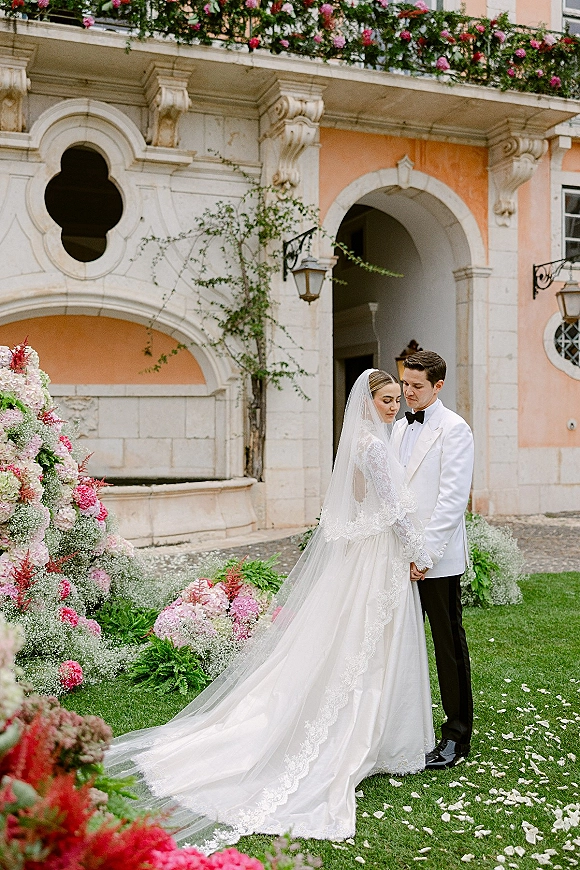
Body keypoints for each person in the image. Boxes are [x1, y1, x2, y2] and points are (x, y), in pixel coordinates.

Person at [105, 370, 435, 851]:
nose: (394, 406)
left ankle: (381, 735)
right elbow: (393, 509)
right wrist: (419, 554)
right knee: (368, 641)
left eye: (396, 399)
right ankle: (367, 738)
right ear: (369, 401)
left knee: (357, 641)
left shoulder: (362, 441)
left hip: (365, 552)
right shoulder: (374, 445)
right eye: (386, 399)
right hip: (377, 555)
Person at [391, 350, 474, 770]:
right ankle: (401, 729)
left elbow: (452, 501)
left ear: (438, 386)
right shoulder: (397, 428)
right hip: (394, 558)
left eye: (416, 386)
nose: (407, 393)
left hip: (434, 561)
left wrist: (423, 556)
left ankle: (457, 737)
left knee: (447, 646)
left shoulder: (455, 430)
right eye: (405, 384)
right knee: (398, 645)